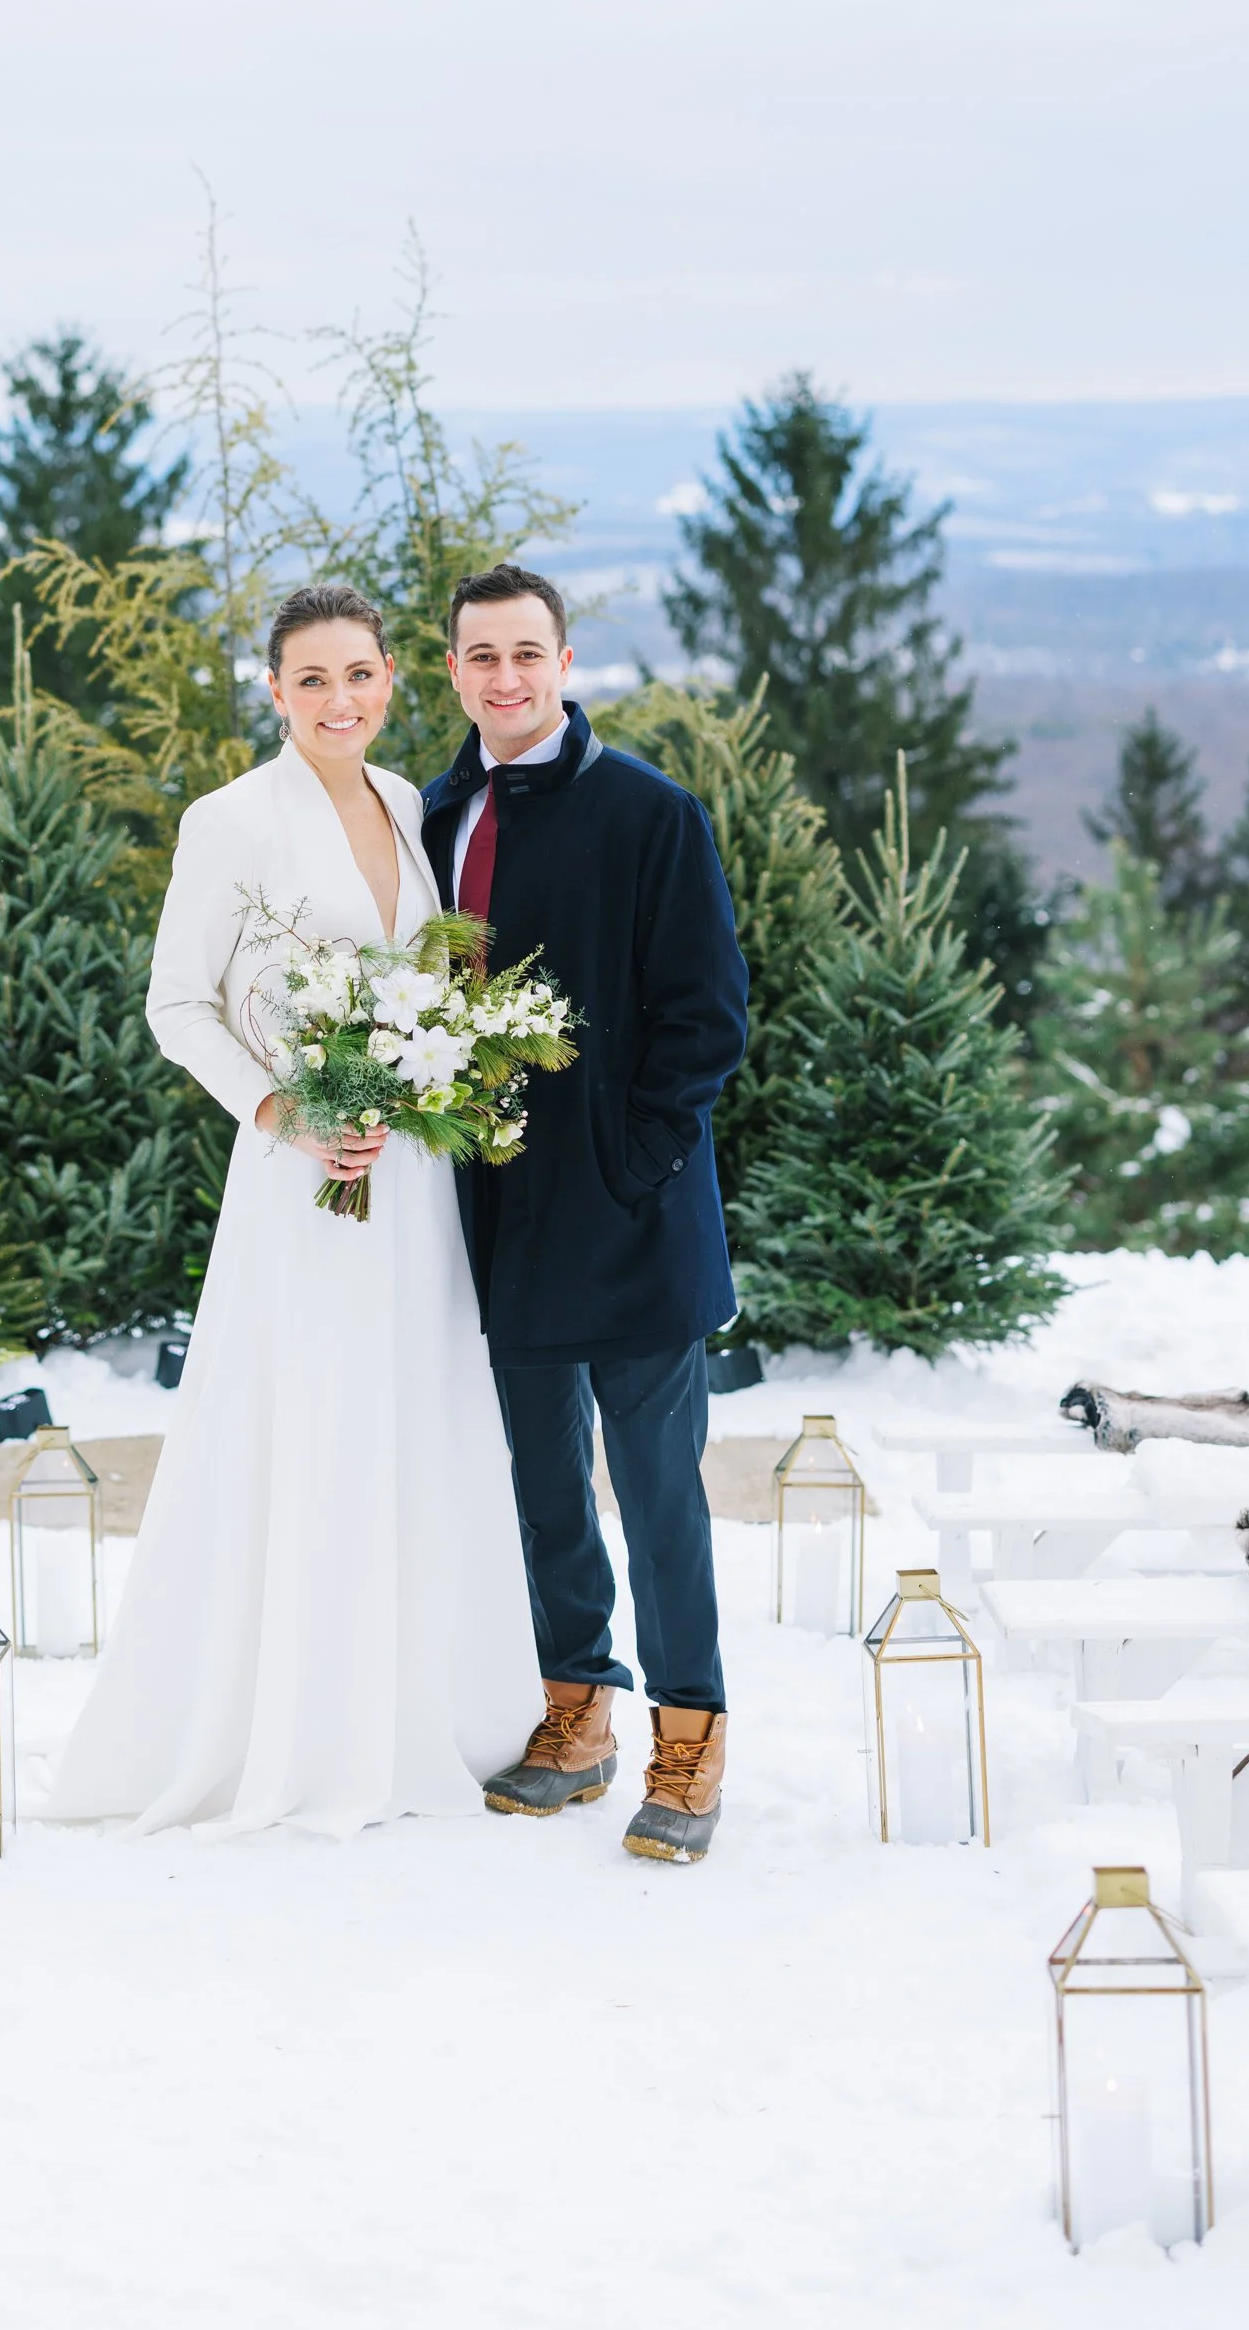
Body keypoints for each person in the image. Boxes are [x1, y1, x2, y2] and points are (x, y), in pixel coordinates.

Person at [41, 581, 539, 1838]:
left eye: (359, 675)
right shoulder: (232, 820)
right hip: (303, 1177)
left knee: (412, 1413)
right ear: (274, 690)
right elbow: (176, 1004)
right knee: (311, 1421)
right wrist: (286, 1112)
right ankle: (300, 1726)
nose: (339, 700)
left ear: (390, 680)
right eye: (310, 679)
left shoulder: (409, 801)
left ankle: (426, 1702)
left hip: (411, 1179)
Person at [420, 563, 750, 1865]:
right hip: (491, 1215)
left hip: (628, 1215)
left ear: (563, 664)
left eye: (526, 654)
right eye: (479, 656)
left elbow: (706, 1012)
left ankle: (690, 1733)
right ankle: (575, 1713)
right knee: (542, 1484)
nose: (503, 677)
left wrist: (636, 1160)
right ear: (451, 672)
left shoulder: (646, 813)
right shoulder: (433, 813)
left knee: (658, 1487)